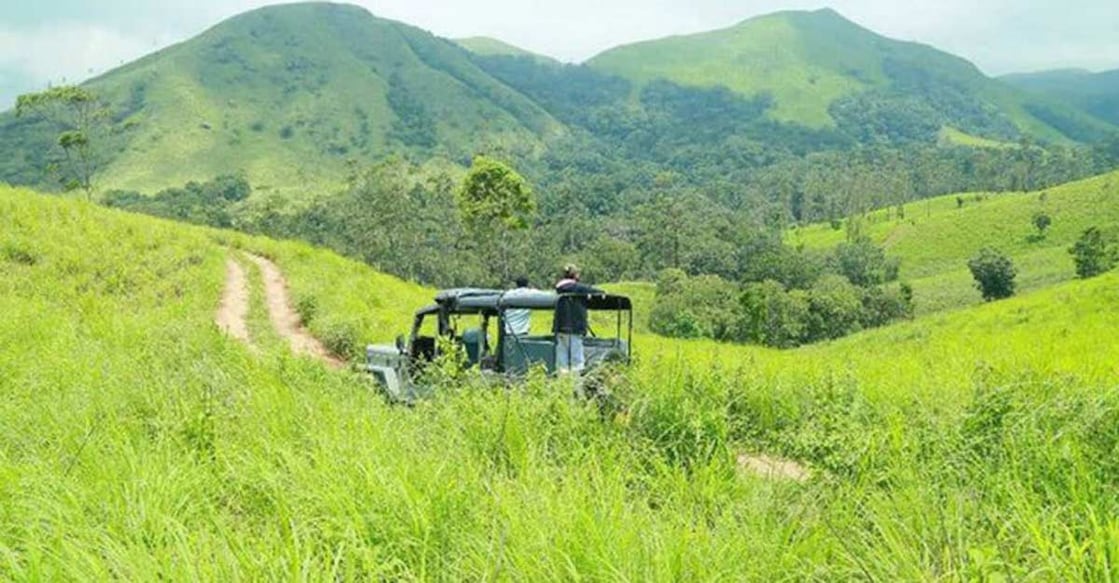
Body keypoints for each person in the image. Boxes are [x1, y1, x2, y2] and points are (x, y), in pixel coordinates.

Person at [553, 264, 603, 374]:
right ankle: (576, 381)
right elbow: (598, 292)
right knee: (577, 359)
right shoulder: (578, 288)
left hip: (560, 328)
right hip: (574, 327)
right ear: (575, 275)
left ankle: (563, 380)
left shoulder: (558, 289)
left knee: (562, 359)